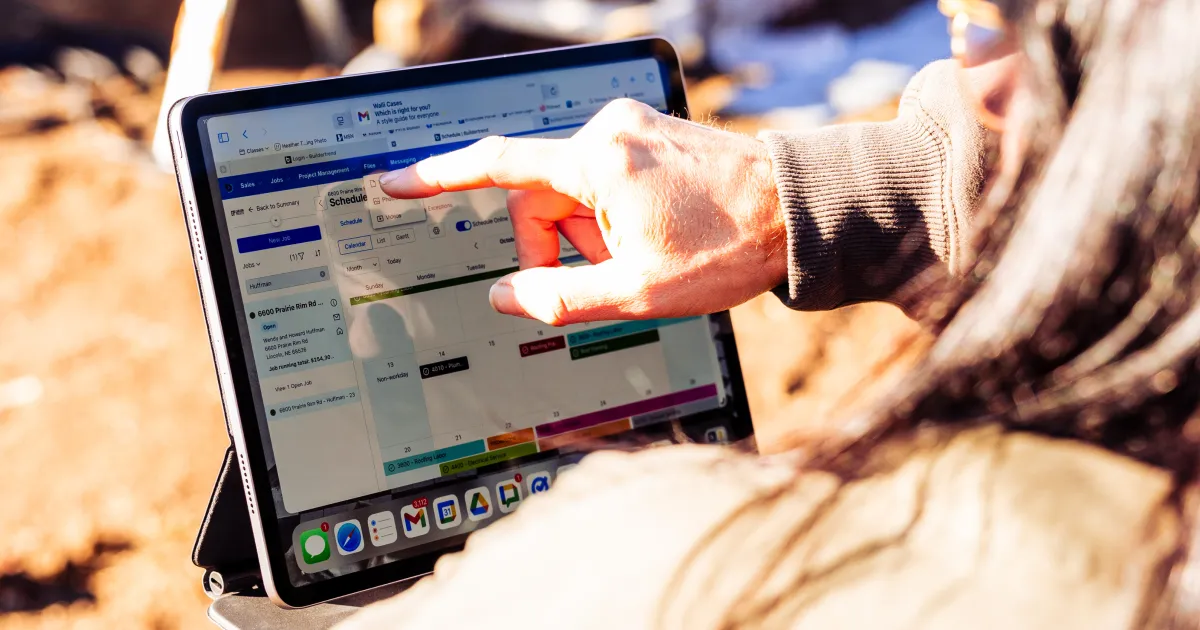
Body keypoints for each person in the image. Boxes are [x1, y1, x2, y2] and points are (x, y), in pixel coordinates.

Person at [338, 0, 1200, 626]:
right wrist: (782, 199)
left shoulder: (657, 562)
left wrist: (633, 530)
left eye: (989, 20)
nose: (978, 80)